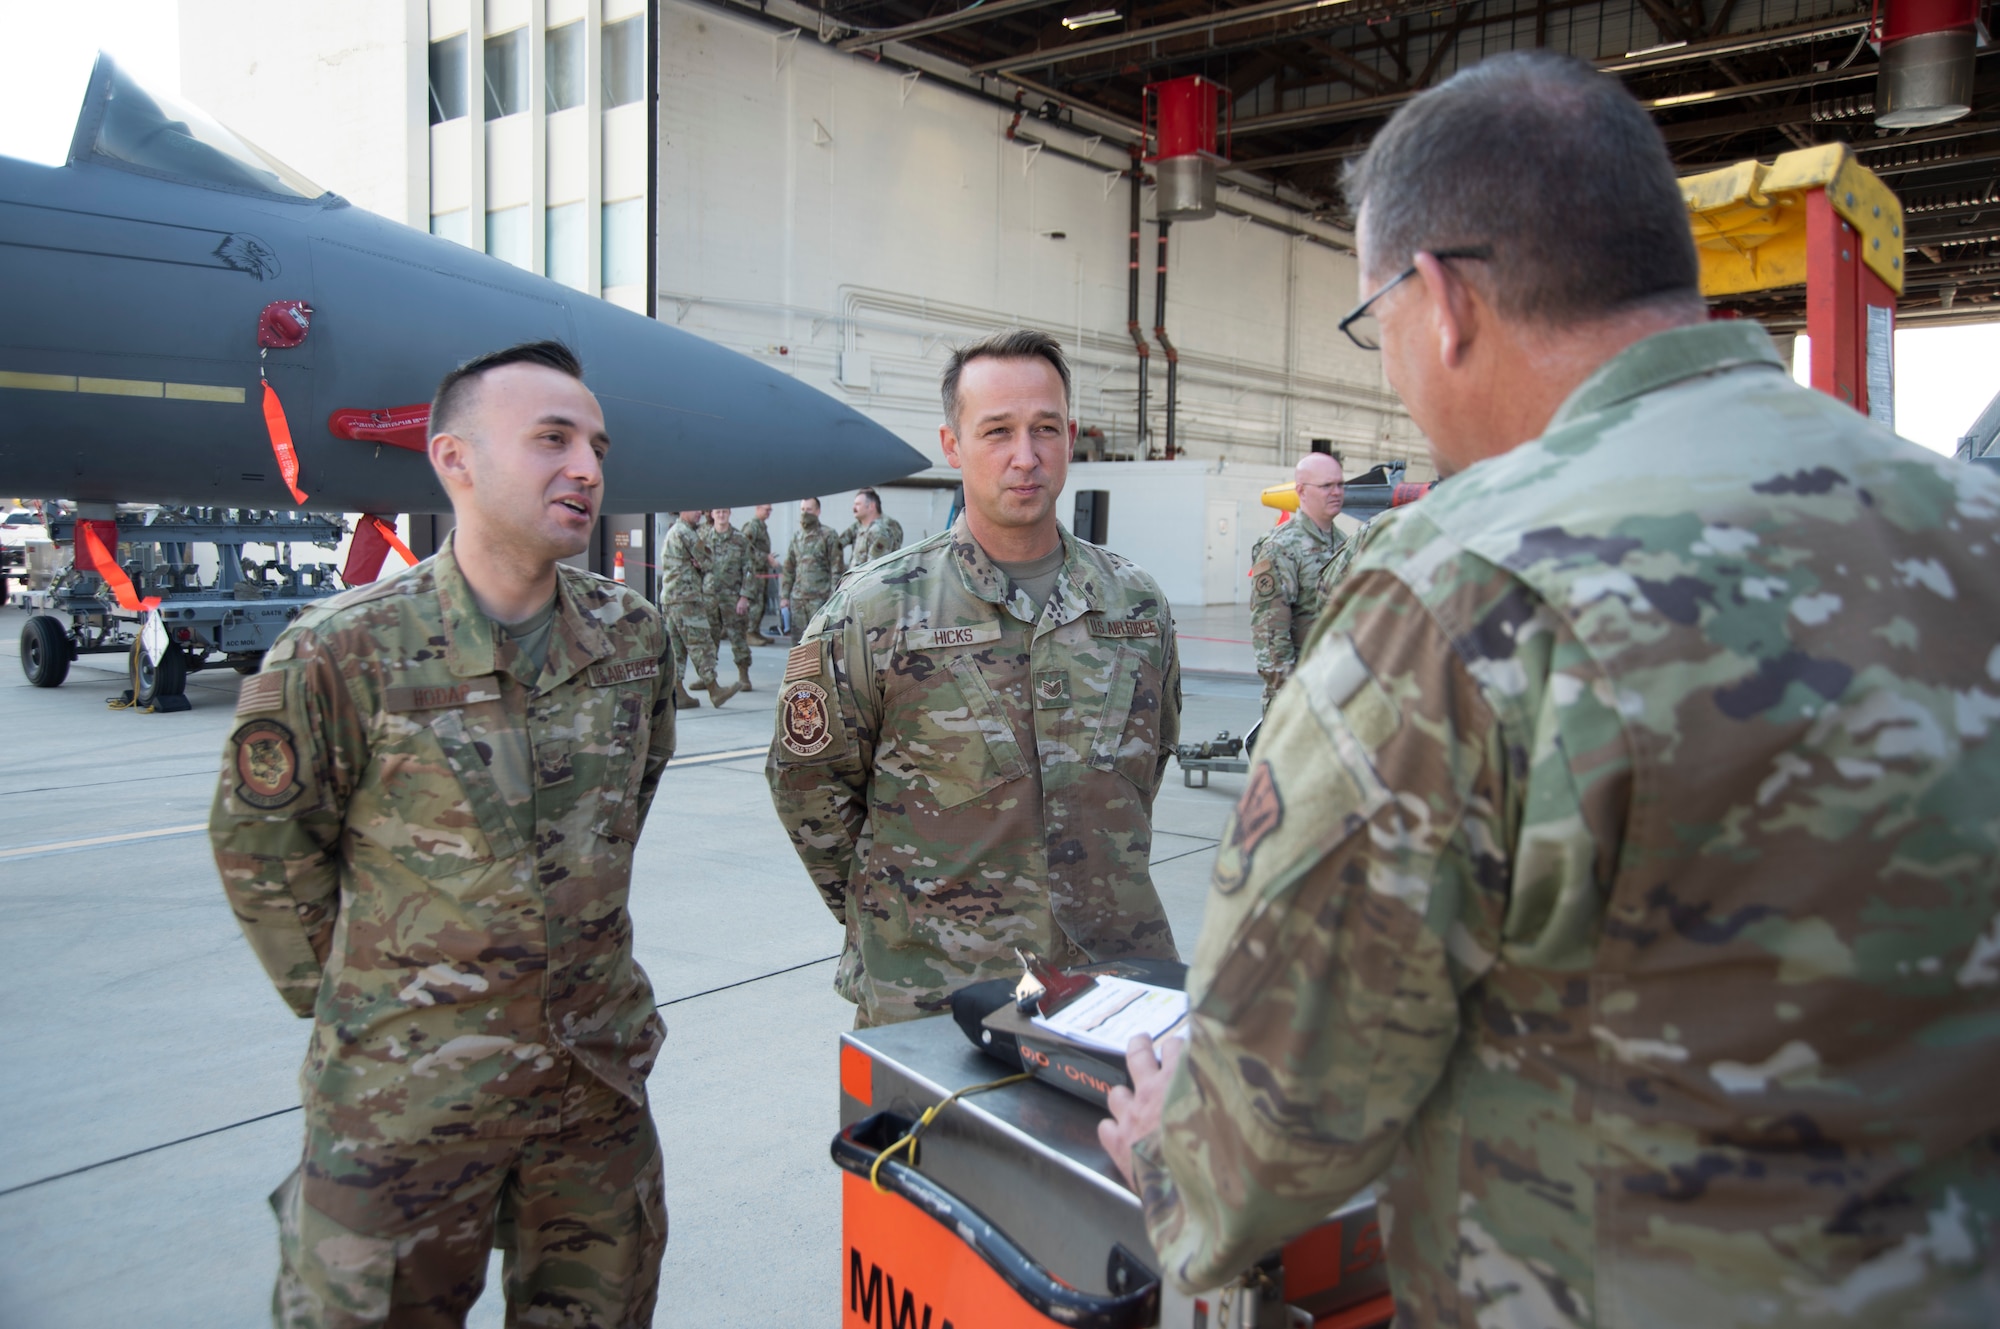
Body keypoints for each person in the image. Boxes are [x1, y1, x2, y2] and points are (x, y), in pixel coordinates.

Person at [1098, 50, 2000, 1325]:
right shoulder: (1969, 525)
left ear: (1439, 300)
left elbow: (1280, 1119)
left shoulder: (1460, 584)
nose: (1390, 368)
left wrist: (1164, 1152)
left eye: (1377, 326)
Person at [209, 341, 677, 1326]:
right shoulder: (343, 650)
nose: (587, 468)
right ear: (453, 460)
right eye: (551, 440)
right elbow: (263, 853)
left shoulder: (633, 641)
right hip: (402, 1113)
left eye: (595, 443)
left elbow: (625, 803)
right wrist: (376, 1011)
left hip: (591, 1097)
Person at [766, 329, 1183, 1028]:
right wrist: (898, 918)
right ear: (953, 444)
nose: (1027, 456)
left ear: (1070, 436)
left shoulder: (1134, 605)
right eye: (998, 432)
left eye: (1045, 428)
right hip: (936, 996)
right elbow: (805, 785)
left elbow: (1145, 770)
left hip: (1112, 986)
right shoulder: (876, 610)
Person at [1247, 451, 1346, 709]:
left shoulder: (1344, 544)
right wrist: (1293, 699)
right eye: (1326, 486)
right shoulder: (1280, 547)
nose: (1336, 492)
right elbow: (1270, 635)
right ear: (1301, 491)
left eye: (1340, 484)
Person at [662, 508, 740, 707]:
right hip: (686, 598)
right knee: (701, 643)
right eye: (695, 509)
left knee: (677, 648)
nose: (700, 513)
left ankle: (678, 691)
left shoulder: (673, 531)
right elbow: (708, 560)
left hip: (671, 598)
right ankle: (714, 690)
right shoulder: (685, 532)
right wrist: (700, 562)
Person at [701, 506, 759, 695]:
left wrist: (744, 597)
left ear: (730, 513)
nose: (721, 514)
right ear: (711, 514)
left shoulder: (740, 539)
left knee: (737, 637)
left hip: (733, 598)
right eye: (717, 511)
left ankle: (744, 675)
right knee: (709, 639)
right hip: (709, 597)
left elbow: (749, 569)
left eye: (724, 511)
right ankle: (708, 678)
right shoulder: (704, 539)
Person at [778, 497, 841, 645]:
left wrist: (834, 598)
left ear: (818, 511)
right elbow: (789, 568)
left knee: (819, 643)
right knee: (798, 644)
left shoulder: (828, 535)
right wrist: (785, 596)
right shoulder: (796, 537)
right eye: (802, 510)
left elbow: (836, 568)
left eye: (809, 510)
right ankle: (799, 669)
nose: (805, 514)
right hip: (798, 600)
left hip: (820, 600)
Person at [836, 487, 904, 569]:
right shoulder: (859, 525)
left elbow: (876, 565)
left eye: (858, 504)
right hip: (858, 575)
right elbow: (838, 544)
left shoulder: (886, 526)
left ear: (871, 505)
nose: (853, 508)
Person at [741, 501, 777, 646]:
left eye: (770, 510)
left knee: (761, 602)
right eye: (766, 510)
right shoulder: (752, 527)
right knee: (755, 603)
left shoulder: (761, 527)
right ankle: (749, 632)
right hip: (754, 573)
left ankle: (755, 631)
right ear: (757, 508)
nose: (768, 513)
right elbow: (745, 548)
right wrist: (765, 557)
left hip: (762, 571)